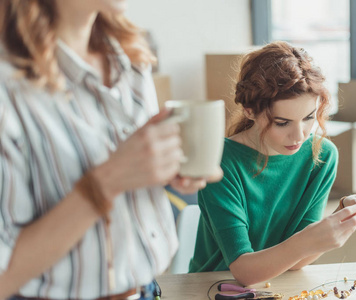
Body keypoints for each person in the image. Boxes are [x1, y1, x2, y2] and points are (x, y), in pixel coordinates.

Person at [0, 0, 221, 299]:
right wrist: (107, 181)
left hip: (147, 290)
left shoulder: (131, 59)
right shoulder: (8, 87)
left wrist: (162, 168)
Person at [189, 41, 356, 286]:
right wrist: (311, 238)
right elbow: (244, 271)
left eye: (309, 118)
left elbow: (298, 260)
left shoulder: (321, 155)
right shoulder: (220, 161)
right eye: (282, 122)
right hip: (212, 285)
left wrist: (343, 215)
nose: (299, 136)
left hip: (276, 284)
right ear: (250, 111)